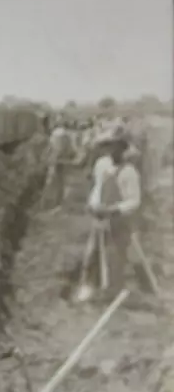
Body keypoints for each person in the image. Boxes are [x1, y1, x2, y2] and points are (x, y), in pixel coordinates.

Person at [74, 123, 141, 303]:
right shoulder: (101, 164)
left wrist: (113, 209)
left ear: (123, 148)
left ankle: (112, 294)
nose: (112, 150)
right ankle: (87, 288)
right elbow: (97, 188)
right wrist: (92, 204)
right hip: (100, 218)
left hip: (118, 222)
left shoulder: (129, 172)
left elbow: (134, 201)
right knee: (92, 254)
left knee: (115, 258)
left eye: (117, 146)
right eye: (110, 145)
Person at [40, 113, 76, 210]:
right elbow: (70, 149)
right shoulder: (65, 134)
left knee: (51, 181)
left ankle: (46, 204)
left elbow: (51, 148)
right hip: (61, 160)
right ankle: (57, 203)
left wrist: (46, 157)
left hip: (55, 160)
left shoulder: (56, 134)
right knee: (60, 182)